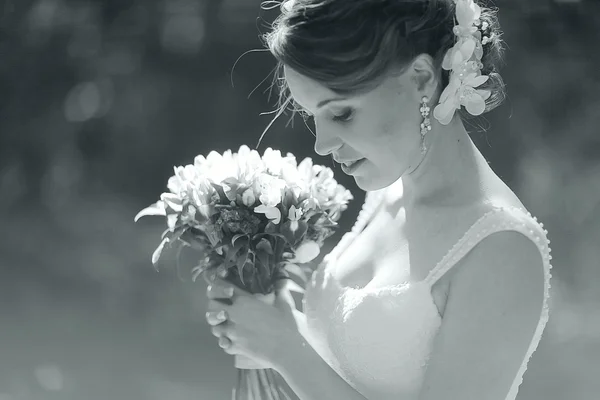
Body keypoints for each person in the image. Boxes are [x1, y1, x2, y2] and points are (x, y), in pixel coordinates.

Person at [204, 0, 552, 399]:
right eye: (311, 116)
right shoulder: (387, 196)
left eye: (343, 114)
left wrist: (285, 348)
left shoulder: (501, 248)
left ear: (421, 76)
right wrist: (276, 320)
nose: (322, 145)